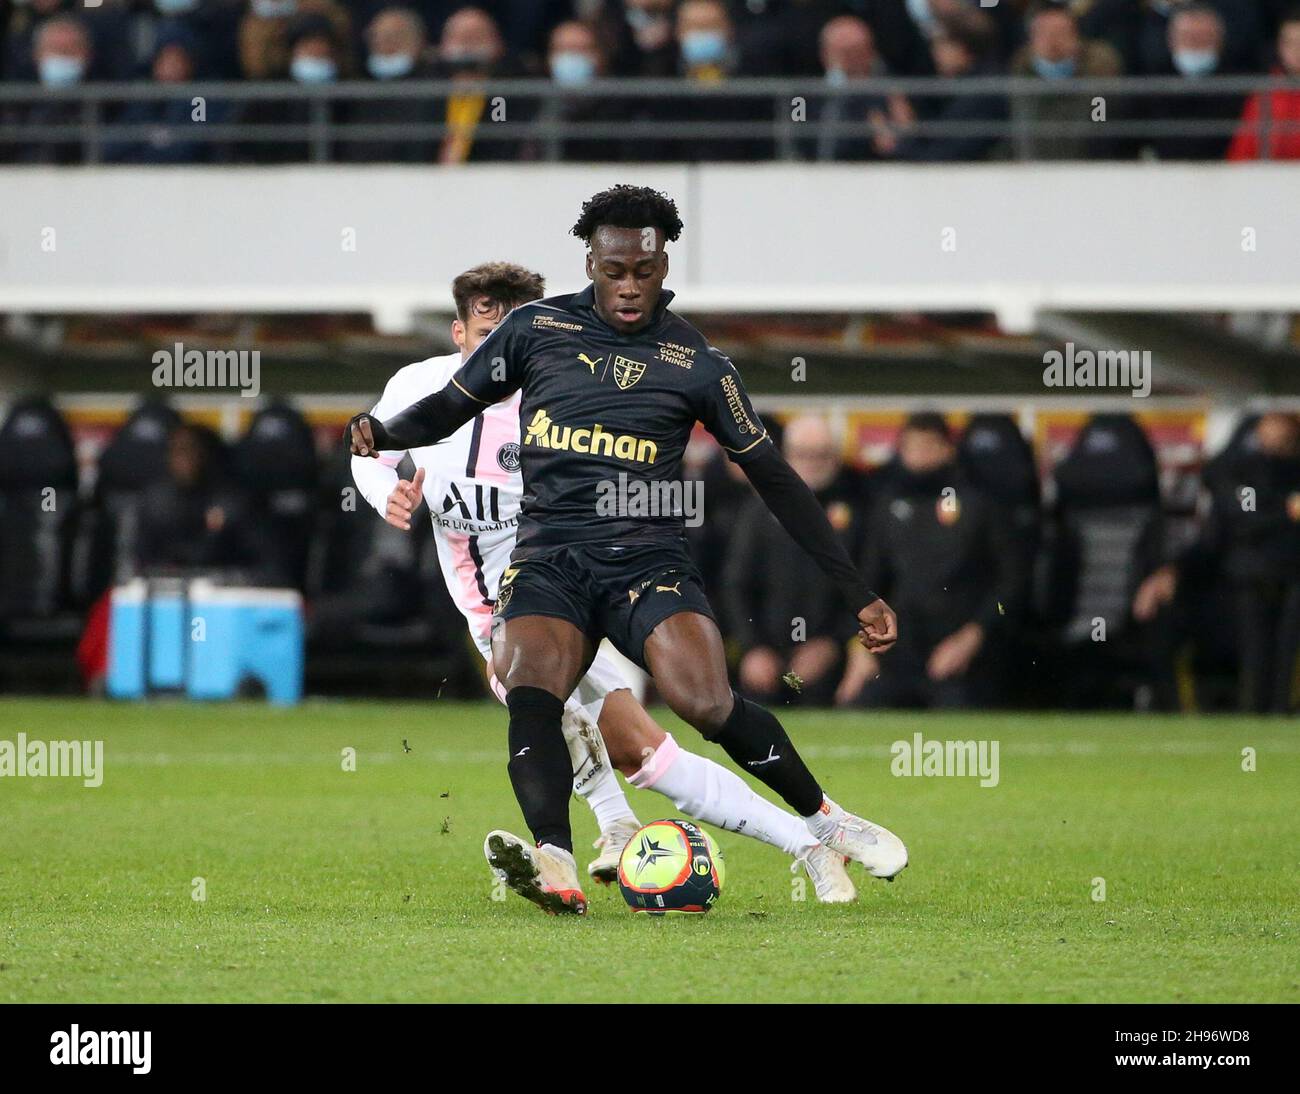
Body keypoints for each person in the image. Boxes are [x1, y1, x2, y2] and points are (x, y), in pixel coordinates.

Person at [349, 185, 907, 916]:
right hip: (550, 559)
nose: (629, 287)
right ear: (591, 260)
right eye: (614, 271)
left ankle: (821, 817)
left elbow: (775, 480)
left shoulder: (698, 364)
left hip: (646, 564)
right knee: (529, 690)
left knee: (706, 703)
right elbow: (452, 404)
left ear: (663, 263)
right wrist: (381, 435)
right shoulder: (536, 330)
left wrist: (856, 590)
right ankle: (556, 854)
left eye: (643, 272)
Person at [848, 413, 1019, 709]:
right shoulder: (887, 506)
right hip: (898, 651)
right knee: (859, 708)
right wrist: (859, 648)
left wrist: (974, 636)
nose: (919, 456)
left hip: (963, 653)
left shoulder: (979, 505)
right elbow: (866, 584)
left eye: (928, 446)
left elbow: (1011, 581)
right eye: (911, 447)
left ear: (948, 449)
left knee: (959, 723)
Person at [1134, 412, 1300, 714]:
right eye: (1271, 435)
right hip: (1242, 582)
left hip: (1287, 575)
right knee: (1255, 656)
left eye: (1287, 439)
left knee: (1285, 657)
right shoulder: (1239, 475)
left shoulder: (1278, 475)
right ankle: (1251, 717)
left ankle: (1279, 714)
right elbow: (1233, 527)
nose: (1277, 444)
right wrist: (1171, 570)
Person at [723, 415, 871, 707]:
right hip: (766, 654)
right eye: (803, 454)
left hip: (830, 657)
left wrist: (832, 643)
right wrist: (753, 647)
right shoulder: (758, 510)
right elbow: (735, 585)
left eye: (822, 454)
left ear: (836, 457)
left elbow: (868, 584)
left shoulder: (857, 512)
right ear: (786, 455)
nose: (812, 462)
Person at [1010, 3, 1125, 160]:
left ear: (1076, 36)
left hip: (1088, 169)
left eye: (1060, 33)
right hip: (1035, 173)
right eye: (1043, 33)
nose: (1052, 41)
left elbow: (1101, 124)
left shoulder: (1100, 74)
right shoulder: (1019, 74)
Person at [1227, 8, 1300, 161]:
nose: (1297, 51)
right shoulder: (1265, 93)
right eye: (1290, 43)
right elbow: (1242, 154)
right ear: (1280, 47)